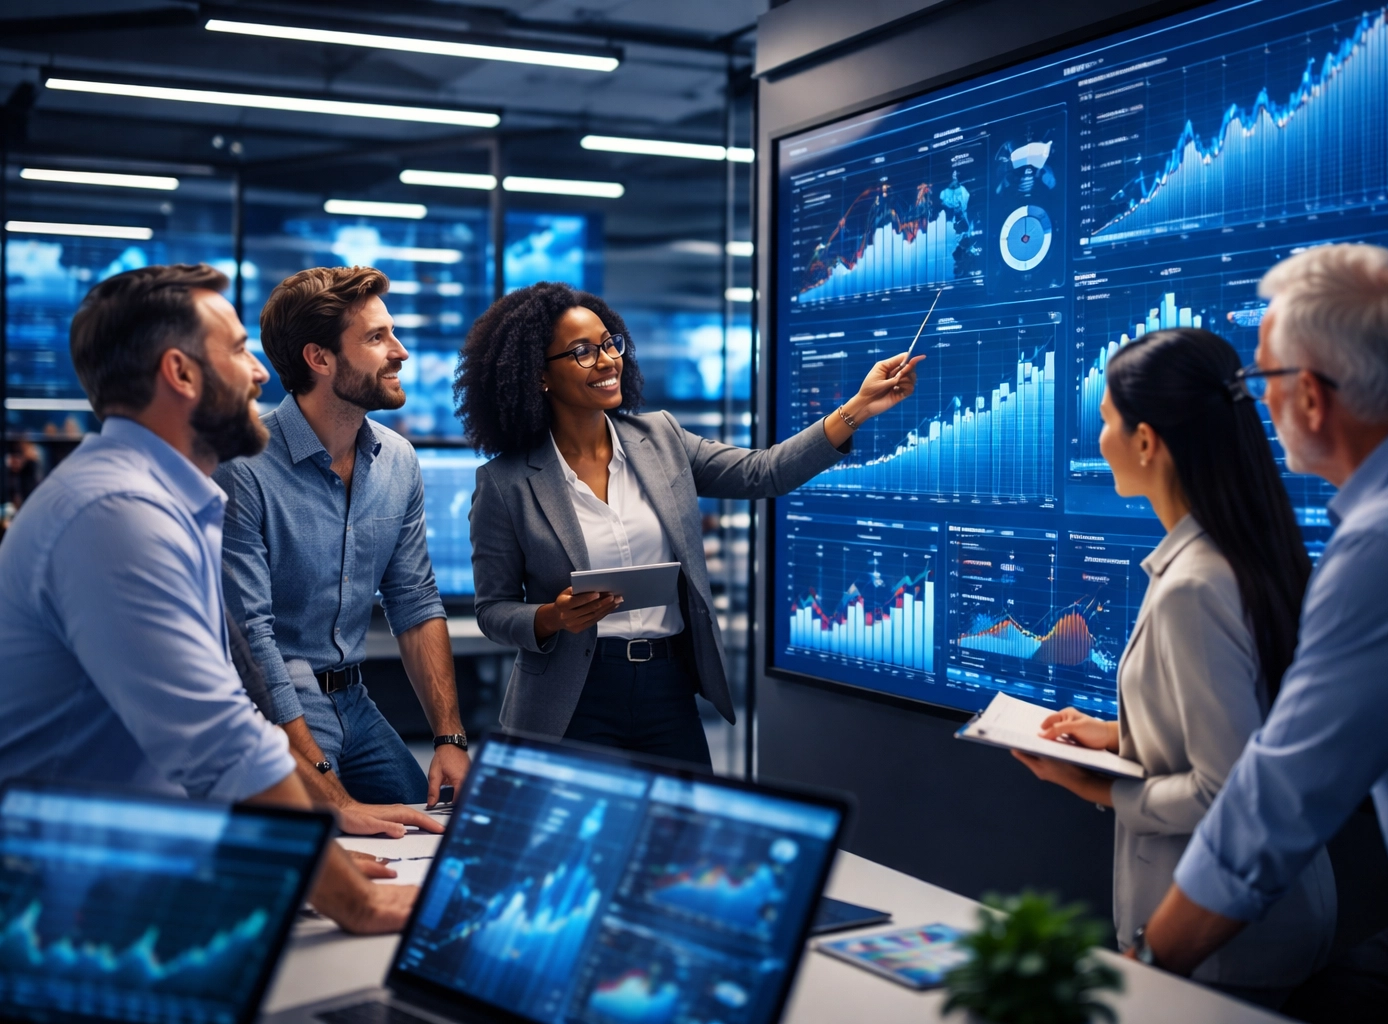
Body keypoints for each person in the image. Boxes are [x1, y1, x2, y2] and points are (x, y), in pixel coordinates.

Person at [1134, 244, 1388, 1023]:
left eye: (1261, 379)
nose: (1257, 400)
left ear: (1312, 397)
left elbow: (1275, 806)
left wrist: (1143, 969)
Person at [0, 263, 414, 933]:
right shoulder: (117, 514)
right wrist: (353, 901)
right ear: (182, 373)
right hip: (65, 906)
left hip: (139, 866)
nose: (258, 374)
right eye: (239, 350)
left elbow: (233, 715)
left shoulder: (160, 500)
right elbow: (220, 742)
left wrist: (302, 856)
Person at [457, 281, 922, 768]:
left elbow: (765, 472)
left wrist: (858, 408)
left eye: (610, 344)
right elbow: (492, 609)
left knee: (683, 817)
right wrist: (552, 617)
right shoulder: (506, 483)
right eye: (583, 352)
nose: (608, 361)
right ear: (539, 375)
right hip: (571, 698)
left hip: (667, 689)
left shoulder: (661, 438)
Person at [1010, 327, 1335, 1007]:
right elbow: (1253, 736)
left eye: (1106, 421)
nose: (1098, 439)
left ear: (1147, 442)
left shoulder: (1195, 587)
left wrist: (1097, 786)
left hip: (1223, 949)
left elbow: (1228, 794)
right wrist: (1119, 736)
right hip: (1265, 924)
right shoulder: (1242, 553)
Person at [216, 266, 467, 833]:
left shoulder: (397, 460)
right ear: (320, 359)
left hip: (356, 699)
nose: (400, 352)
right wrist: (325, 783)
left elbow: (414, 600)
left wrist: (449, 738)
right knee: (327, 848)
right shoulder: (244, 468)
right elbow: (252, 639)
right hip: (277, 707)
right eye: (377, 337)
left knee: (435, 834)